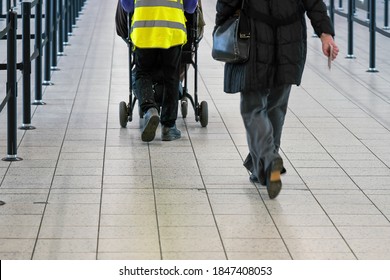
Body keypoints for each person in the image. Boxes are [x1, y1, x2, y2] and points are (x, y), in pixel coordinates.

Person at [214, 0, 339, 199]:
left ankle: (269, 158)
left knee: (253, 108)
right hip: (290, 41)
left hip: (253, 37)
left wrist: (221, 19)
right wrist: (326, 34)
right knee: (276, 107)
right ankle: (264, 168)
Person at [120, 0, 198, 142]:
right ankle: (168, 127)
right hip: (172, 31)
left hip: (143, 31)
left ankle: (150, 109)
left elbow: (127, 6)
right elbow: (191, 7)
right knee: (171, 77)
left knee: (142, 72)